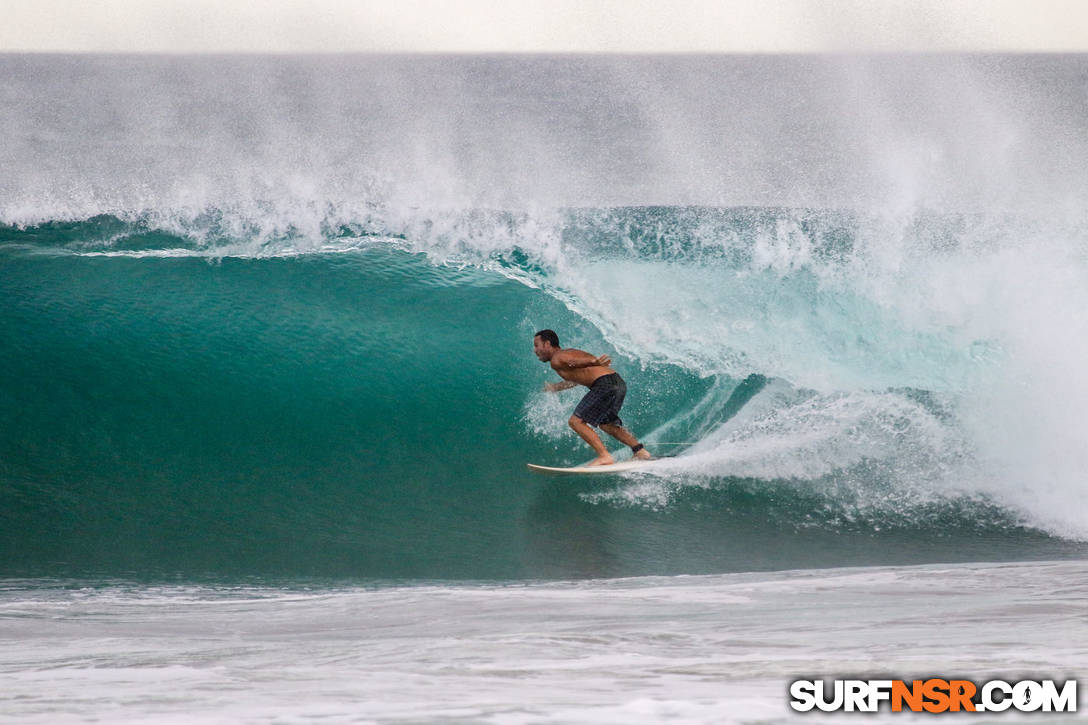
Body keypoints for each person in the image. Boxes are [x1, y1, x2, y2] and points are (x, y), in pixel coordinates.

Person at [532, 329, 653, 466]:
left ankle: (604, 456)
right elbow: (576, 378)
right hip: (616, 382)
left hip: (604, 384)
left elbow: (574, 362)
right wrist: (555, 387)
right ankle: (640, 451)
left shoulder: (557, 358)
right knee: (606, 424)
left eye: (537, 345)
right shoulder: (567, 354)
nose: (535, 350)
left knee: (575, 422)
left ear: (547, 344)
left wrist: (593, 361)